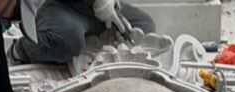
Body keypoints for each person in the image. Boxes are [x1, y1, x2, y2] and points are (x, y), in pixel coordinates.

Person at [10, 0, 155, 66]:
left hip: (99, 9)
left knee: (144, 26)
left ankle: (97, 44)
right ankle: (20, 50)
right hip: (64, 6)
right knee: (67, 42)